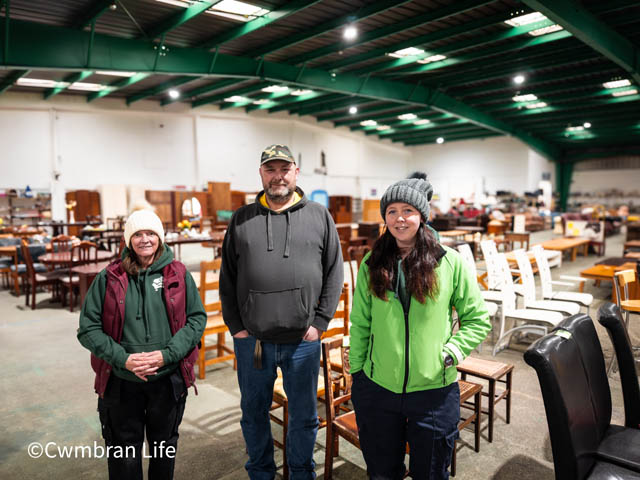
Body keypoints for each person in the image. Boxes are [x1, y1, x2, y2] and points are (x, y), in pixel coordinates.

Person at [349, 173, 491, 480]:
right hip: (377, 388)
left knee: (430, 473)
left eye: (408, 211)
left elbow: (478, 319)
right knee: (382, 472)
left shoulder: (450, 262)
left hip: (433, 393)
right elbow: (360, 322)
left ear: (422, 216)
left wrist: (451, 351)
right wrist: (358, 374)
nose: (400, 219)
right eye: (392, 212)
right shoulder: (372, 263)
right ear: (385, 217)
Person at [220, 144, 344, 479]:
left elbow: (335, 271)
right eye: (270, 169)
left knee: (303, 415)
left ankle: (301, 472)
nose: (278, 176)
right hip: (254, 342)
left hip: (303, 341)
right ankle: (261, 472)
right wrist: (237, 327)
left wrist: (320, 323)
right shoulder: (242, 218)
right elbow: (227, 277)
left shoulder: (319, 216)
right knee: (253, 412)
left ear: (296, 173)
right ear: (261, 174)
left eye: (284, 169)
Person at [77, 209, 206, 480]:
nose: (144, 239)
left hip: (167, 379)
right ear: (128, 240)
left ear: (160, 237)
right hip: (121, 381)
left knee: (163, 450)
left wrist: (166, 355)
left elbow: (196, 319)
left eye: (150, 233)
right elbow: (87, 328)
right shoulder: (109, 277)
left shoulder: (179, 274)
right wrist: (123, 358)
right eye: (137, 234)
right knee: (124, 456)